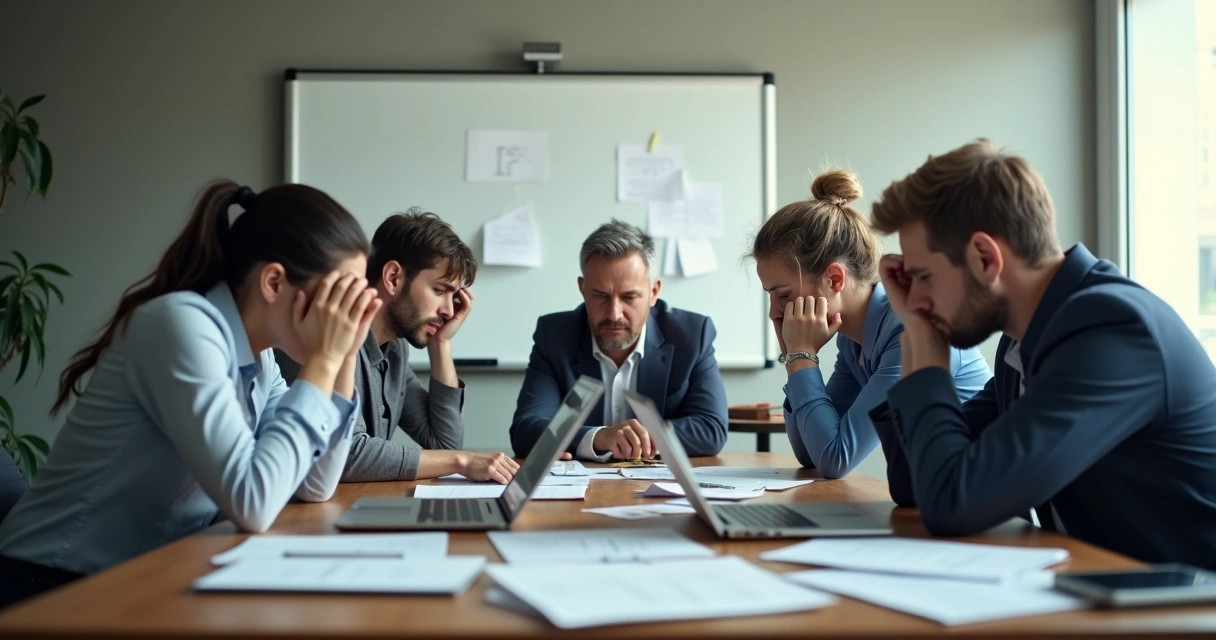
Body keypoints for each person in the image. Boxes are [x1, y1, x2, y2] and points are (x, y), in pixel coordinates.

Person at [0, 181, 379, 607]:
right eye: (339, 297)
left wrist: (345, 354)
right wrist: (324, 361)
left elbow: (315, 484)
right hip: (47, 584)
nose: (348, 314)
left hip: (142, 574)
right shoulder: (181, 327)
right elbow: (254, 501)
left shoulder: (262, 359)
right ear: (274, 282)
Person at [869, 139, 1216, 568]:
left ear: (983, 257)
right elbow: (916, 488)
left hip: (1187, 618)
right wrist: (916, 335)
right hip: (1107, 600)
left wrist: (927, 374)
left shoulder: (1110, 331)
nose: (914, 300)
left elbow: (951, 502)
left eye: (922, 276)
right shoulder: (1024, 341)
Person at [749, 169, 990, 478]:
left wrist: (800, 358)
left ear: (834, 279)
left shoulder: (908, 332)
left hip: (985, 506)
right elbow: (809, 454)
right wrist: (795, 359)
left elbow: (836, 459)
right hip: (938, 497)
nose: (774, 313)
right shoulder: (853, 340)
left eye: (782, 294)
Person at [276, 210, 518, 483]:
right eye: (439, 291)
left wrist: (441, 343)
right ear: (392, 278)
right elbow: (345, 455)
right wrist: (461, 461)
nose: (450, 311)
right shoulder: (329, 338)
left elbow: (443, 443)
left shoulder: (394, 351)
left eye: (454, 296)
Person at [510, 220, 728, 460]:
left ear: (653, 292)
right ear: (582, 289)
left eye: (629, 297)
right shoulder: (554, 336)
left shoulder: (692, 335)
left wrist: (634, 438)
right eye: (600, 295)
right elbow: (525, 430)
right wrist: (599, 438)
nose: (614, 314)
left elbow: (710, 429)